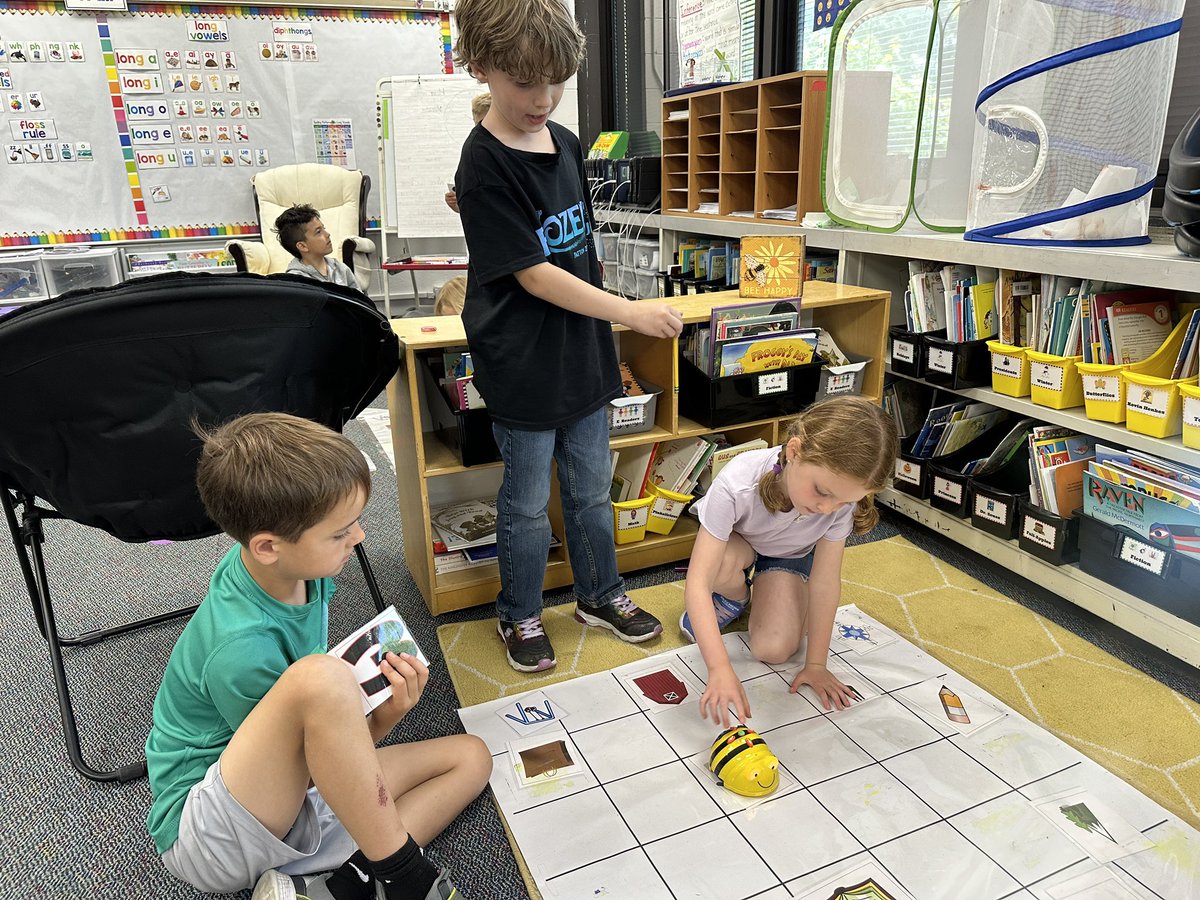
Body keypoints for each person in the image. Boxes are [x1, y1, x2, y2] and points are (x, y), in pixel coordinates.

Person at [145, 412, 492, 900]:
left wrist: (378, 711)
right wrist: (382, 718)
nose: (360, 537)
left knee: (471, 757)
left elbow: (316, 763)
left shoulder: (293, 571)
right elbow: (304, 769)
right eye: (340, 532)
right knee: (321, 678)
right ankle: (406, 879)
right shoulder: (240, 646)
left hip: (283, 799)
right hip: (212, 833)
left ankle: (346, 886)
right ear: (269, 547)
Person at [451, 0, 684, 673]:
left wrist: (607, 319)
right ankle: (519, 612)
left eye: (556, 82)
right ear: (482, 66)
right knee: (527, 504)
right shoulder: (483, 162)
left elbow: (579, 250)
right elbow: (533, 274)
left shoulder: (567, 141)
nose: (543, 99)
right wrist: (629, 312)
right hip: (522, 361)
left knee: (590, 489)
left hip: (581, 353)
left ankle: (599, 595)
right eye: (526, 83)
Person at [680, 395, 899, 727]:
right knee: (718, 566)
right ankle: (734, 597)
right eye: (822, 491)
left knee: (773, 649)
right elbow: (697, 581)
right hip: (740, 546)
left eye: (844, 502)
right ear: (794, 452)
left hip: (790, 555)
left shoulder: (837, 504)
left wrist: (816, 665)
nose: (828, 508)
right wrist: (719, 668)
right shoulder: (738, 481)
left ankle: (781, 591)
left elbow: (826, 582)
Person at [275, 203, 357, 288]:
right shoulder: (296, 281)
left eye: (323, 228)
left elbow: (358, 295)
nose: (327, 234)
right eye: (318, 232)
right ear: (302, 246)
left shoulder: (341, 269)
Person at [444, 92, 492, 213]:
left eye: (488, 123)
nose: (483, 129)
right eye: (478, 124)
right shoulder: (473, 150)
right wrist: (459, 204)